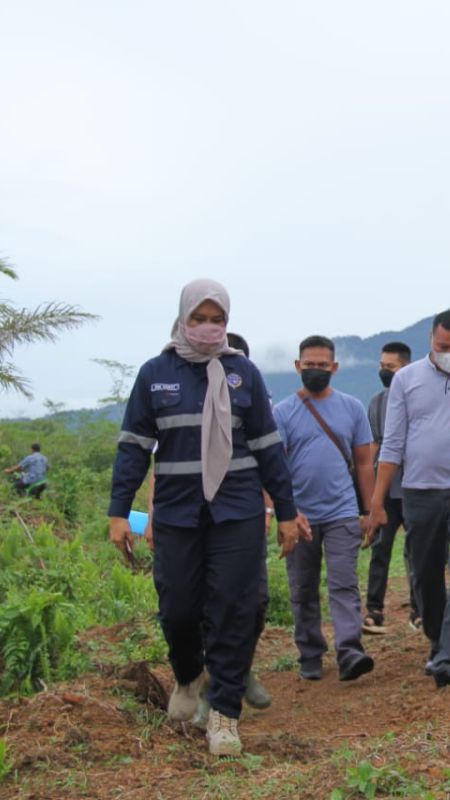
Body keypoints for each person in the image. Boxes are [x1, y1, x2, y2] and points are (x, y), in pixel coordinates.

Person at [107, 279, 307, 756]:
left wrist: (285, 511)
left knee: (233, 610)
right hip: (177, 513)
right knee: (178, 607)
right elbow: (134, 446)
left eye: (217, 319)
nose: (208, 328)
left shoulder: (245, 374)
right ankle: (187, 674)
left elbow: (266, 448)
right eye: (199, 318)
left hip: (236, 511)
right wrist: (120, 511)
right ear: (182, 319)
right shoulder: (155, 373)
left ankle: (224, 716)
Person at [368, 309, 450, 688]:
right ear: (430, 341)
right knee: (426, 572)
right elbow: (393, 442)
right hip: (419, 490)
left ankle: (449, 655)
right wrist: (376, 501)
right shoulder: (406, 379)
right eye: (443, 346)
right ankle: (438, 640)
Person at [272, 336, 376, 683]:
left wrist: (370, 509)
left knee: (344, 584)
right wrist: (284, 513)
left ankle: (350, 650)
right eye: (309, 364)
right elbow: (275, 468)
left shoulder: (352, 408)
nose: (315, 370)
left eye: (322, 365)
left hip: (342, 511)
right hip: (299, 515)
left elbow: (364, 463)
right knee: (303, 587)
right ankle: (310, 653)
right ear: (297, 366)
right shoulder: (282, 412)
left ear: (335, 367)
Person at [364, 341, 421, 635]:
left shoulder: (420, 398)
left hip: (414, 487)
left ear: (406, 367)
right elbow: (375, 445)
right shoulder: (377, 402)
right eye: (382, 367)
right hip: (387, 491)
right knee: (380, 549)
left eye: (390, 367)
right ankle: (374, 609)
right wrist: (373, 495)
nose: (384, 372)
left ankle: (419, 609)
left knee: (417, 551)